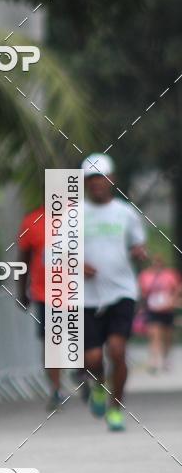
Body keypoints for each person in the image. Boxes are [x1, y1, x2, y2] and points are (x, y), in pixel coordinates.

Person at [82, 153, 147, 431]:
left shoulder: (126, 213)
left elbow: (138, 244)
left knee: (117, 350)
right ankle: (98, 386)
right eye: (91, 179)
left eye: (101, 178)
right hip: (85, 296)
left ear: (112, 180)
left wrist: (138, 252)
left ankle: (116, 408)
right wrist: (77, 264)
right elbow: (53, 255)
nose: (97, 183)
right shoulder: (72, 214)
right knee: (93, 358)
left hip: (121, 291)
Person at [17, 204, 64, 412]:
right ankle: (56, 390)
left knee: (83, 341)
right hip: (46, 293)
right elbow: (24, 258)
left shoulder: (81, 217)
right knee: (53, 342)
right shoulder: (32, 221)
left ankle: (85, 374)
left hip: (81, 292)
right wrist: (21, 290)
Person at [138, 255, 181, 372]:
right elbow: (143, 292)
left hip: (167, 309)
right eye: (154, 262)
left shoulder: (170, 275)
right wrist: (142, 306)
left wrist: (172, 300)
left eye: (159, 262)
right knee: (154, 336)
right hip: (152, 310)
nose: (156, 265)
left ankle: (166, 359)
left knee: (167, 337)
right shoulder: (145, 276)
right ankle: (154, 362)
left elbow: (178, 289)